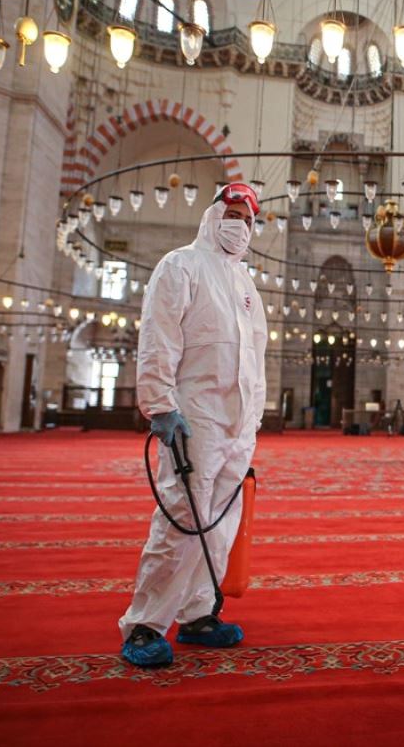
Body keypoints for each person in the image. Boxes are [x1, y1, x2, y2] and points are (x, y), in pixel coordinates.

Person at [118, 182, 268, 667]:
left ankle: (199, 613)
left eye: (248, 220)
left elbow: (255, 359)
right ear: (212, 214)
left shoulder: (246, 285)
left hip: (237, 426)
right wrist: (160, 406)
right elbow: (159, 340)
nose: (240, 226)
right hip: (195, 419)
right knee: (182, 518)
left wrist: (253, 422)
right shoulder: (180, 266)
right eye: (233, 214)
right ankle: (145, 624)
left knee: (222, 523)